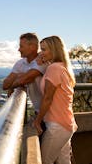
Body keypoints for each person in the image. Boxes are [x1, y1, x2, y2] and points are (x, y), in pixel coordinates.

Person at [33, 36, 77, 164]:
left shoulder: (54, 69)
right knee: (64, 161)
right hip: (66, 124)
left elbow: (47, 98)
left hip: (57, 126)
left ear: (55, 50)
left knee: (44, 161)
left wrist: (37, 121)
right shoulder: (61, 67)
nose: (41, 53)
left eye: (44, 49)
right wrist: (42, 63)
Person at [3, 33, 47, 113]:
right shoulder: (20, 63)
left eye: (21, 46)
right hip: (39, 111)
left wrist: (12, 85)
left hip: (51, 112)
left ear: (32, 47)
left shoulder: (42, 61)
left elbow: (25, 79)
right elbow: (5, 85)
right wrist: (19, 77)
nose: (19, 49)